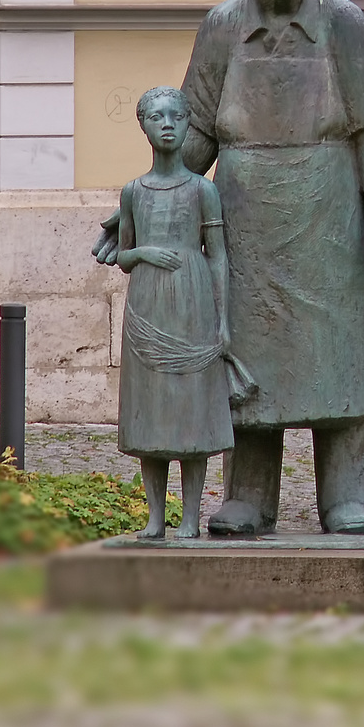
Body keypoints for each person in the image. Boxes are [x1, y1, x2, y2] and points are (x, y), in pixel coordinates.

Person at [94, 0, 364, 536]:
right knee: (248, 354)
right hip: (244, 215)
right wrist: (147, 204)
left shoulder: (344, 23)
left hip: (328, 210)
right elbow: (196, 131)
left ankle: (345, 496)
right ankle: (249, 496)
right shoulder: (222, 26)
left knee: (338, 353)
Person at [115, 87, 241, 540]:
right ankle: (154, 517)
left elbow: (219, 256)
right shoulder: (133, 191)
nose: (166, 124)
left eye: (175, 116)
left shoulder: (203, 189)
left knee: (191, 414)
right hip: (147, 301)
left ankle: (190, 517)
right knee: (150, 414)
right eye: (155, 116)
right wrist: (146, 251)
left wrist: (223, 322)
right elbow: (122, 255)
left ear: (189, 124)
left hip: (193, 301)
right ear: (144, 126)